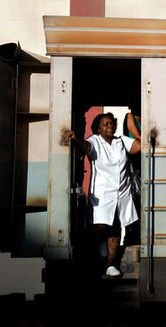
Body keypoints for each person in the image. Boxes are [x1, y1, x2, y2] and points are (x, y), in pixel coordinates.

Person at [66, 112, 141, 277]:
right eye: (105, 124)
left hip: (122, 192)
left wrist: (141, 135)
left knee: (116, 226)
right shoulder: (95, 141)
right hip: (102, 193)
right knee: (100, 226)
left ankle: (110, 265)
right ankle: (101, 244)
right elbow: (85, 147)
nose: (110, 126)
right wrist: (76, 140)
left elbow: (139, 146)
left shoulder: (121, 141)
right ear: (98, 129)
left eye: (112, 123)